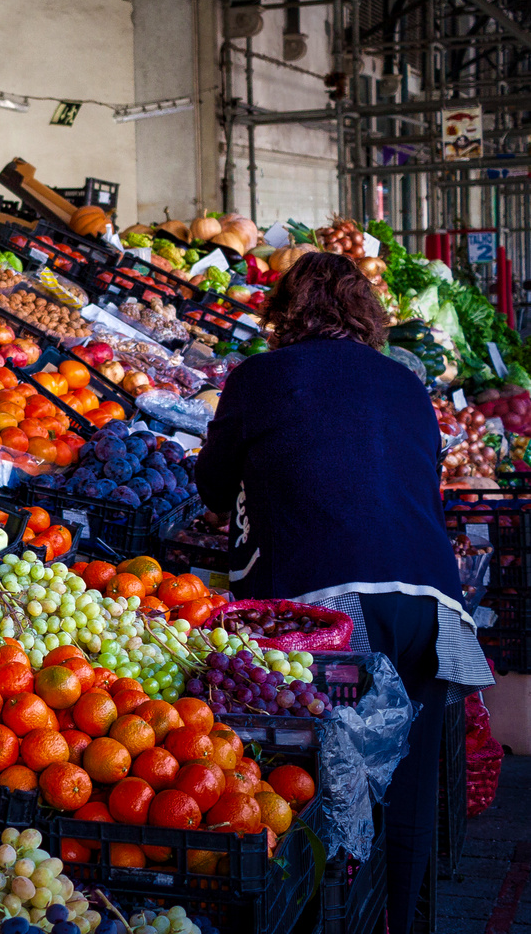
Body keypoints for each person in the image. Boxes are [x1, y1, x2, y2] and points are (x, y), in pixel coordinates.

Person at [195, 250, 493, 934]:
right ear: (367, 315)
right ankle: (407, 921)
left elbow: (213, 485)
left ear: (283, 312)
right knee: (411, 774)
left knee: (317, 774)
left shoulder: (261, 376)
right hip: (431, 602)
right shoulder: (404, 382)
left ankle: (326, 915)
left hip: (332, 607)